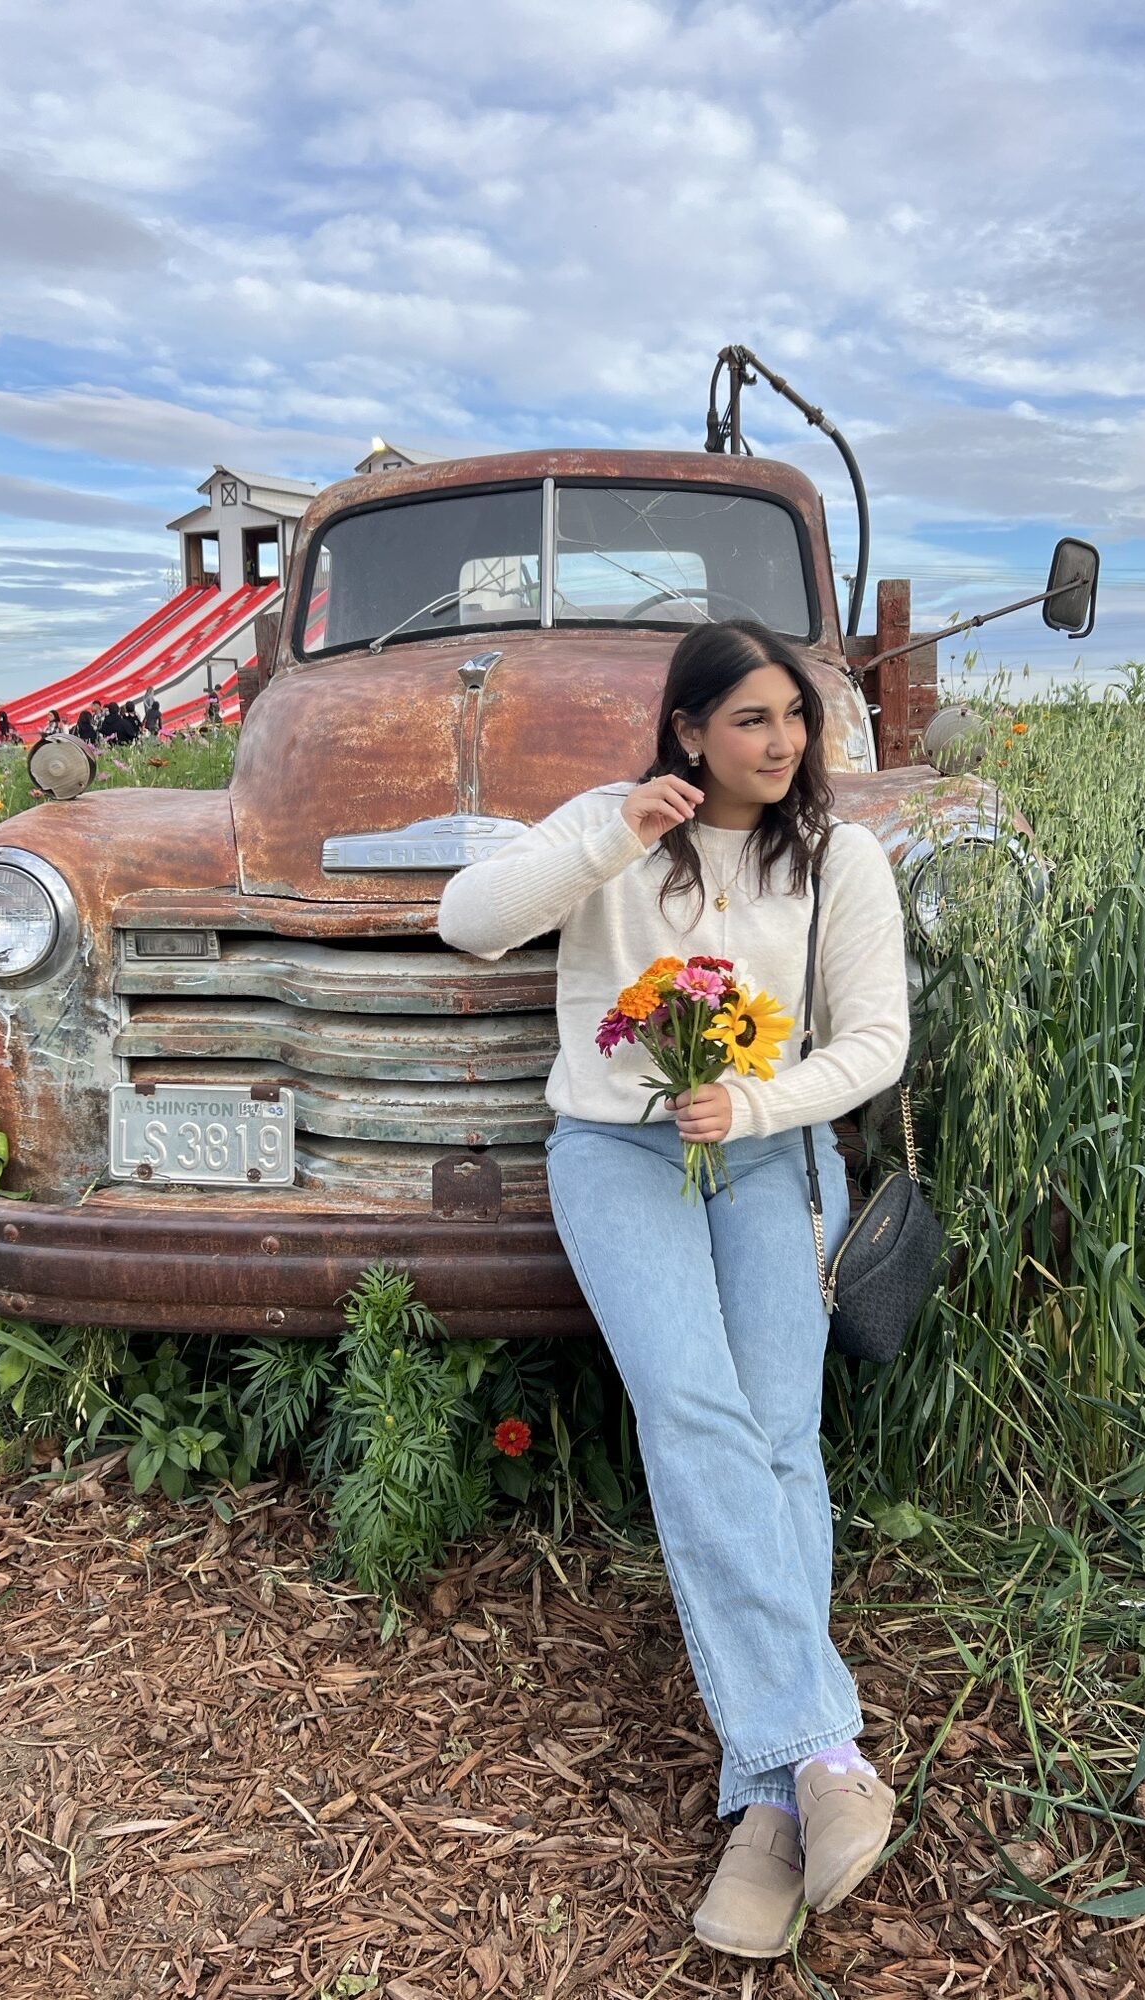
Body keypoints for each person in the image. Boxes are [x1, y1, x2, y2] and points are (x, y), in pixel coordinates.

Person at [438, 620, 910, 1962]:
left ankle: (764, 1805)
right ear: (690, 728)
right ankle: (822, 1750)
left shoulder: (838, 856)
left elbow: (877, 1040)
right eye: (752, 720)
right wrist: (614, 835)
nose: (784, 744)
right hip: (616, 1151)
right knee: (694, 1411)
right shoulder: (614, 825)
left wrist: (759, 1100)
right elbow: (467, 923)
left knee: (776, 1436)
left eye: (796, 719)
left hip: (769, 1147)